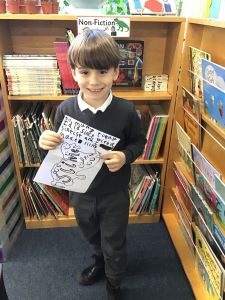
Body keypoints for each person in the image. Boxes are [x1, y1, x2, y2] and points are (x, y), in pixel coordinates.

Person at [39, 29, 146, 300]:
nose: (94, 81)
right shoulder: (65, 110)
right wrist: (46, 143)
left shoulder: (125, 111)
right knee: (90, 234)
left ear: (115, 73)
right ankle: (99, 262)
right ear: (73, 73)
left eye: (102, 72)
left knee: (114, 240)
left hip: (114, 194)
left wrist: (125, 156)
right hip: (81, 194)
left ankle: (114, 281)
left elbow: (138, 143)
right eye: (85, 72)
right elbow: (58, 153)